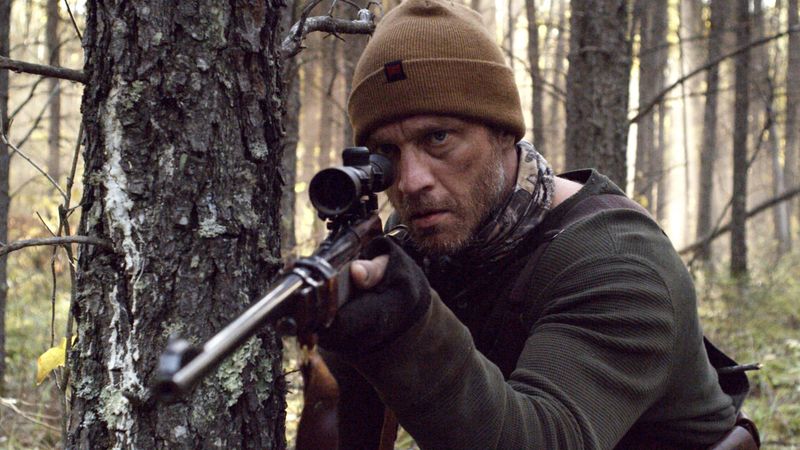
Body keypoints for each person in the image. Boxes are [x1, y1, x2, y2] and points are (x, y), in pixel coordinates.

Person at [318, 0, 758, 448]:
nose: (411, 181)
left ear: (503, 131)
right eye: (387, 152)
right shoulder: (429, 234)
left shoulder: (617, 262)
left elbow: (546, 438)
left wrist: (407, 328)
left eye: (438, 137)